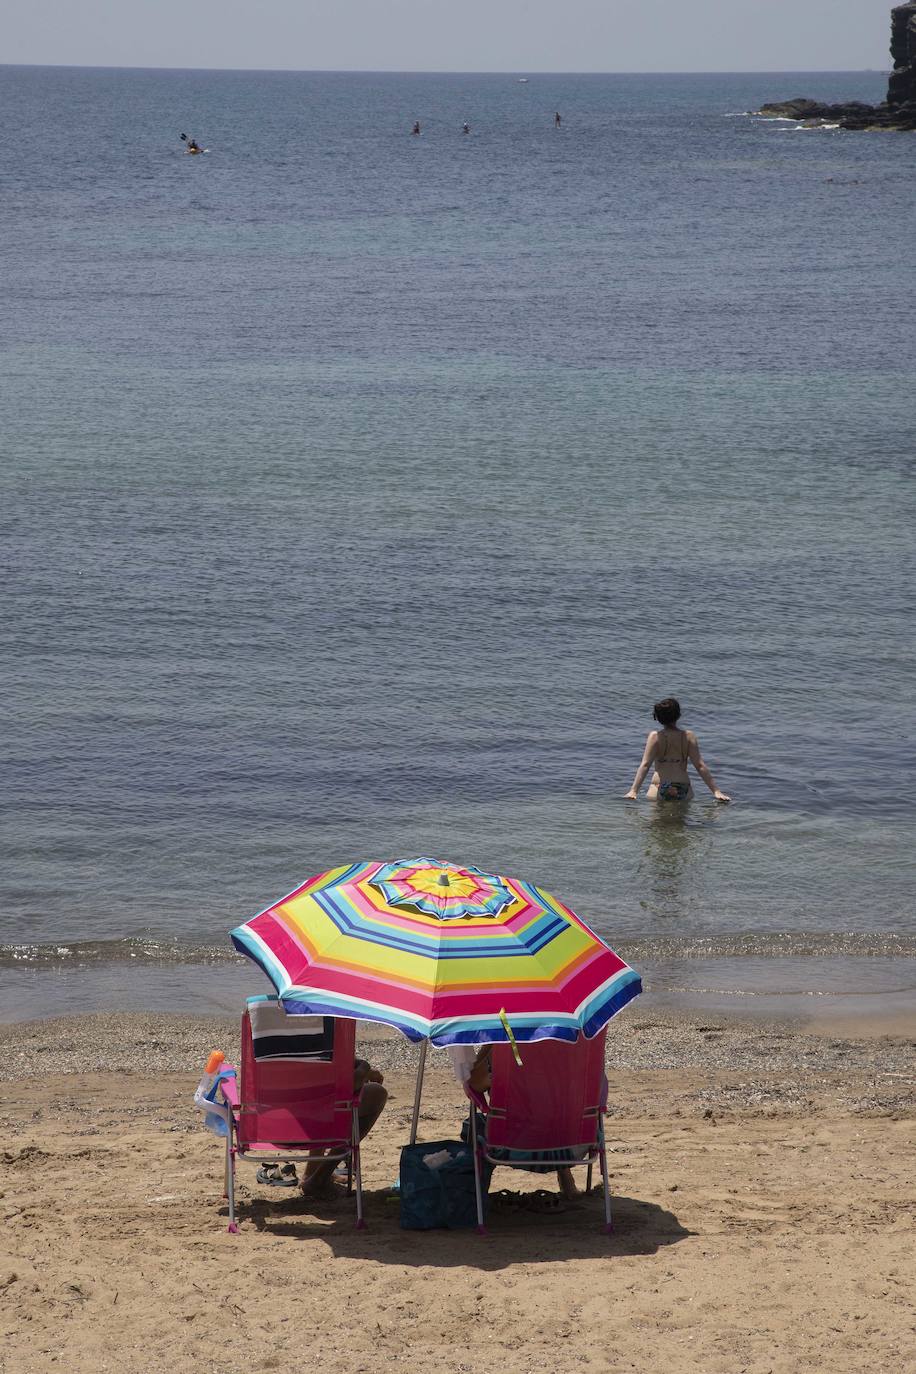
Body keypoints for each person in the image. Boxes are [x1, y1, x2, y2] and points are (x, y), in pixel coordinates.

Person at [448, 1044, 582, 1201]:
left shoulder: (504, 1046)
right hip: (573, 1146)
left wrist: (491, 1044)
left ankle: (478, 1193)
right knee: (552, 1116)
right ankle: (566, 1178)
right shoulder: (579, 1050)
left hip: (512, 1147)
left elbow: (475, 1084)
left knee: (472, 1126)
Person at [300, 1056, 387, 1197]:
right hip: (316, 1110)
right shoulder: (320, 1042)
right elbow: (351, 1081)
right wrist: (364, 1068)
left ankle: (313, 1168)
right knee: (378, 1094)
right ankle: (319, 1178)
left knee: (315, 1089)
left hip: (273, 1125)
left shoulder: (260, 1043)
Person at [624, 697, 731, 802]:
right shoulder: (689, 736)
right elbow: (700, 766)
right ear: (678, 716)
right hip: (684, 788)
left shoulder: (655, 736)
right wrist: (716, 791)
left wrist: (634, 791)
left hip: (659, 786)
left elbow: (645, 765)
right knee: (681, 814)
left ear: (659, 718)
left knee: (657, 814)